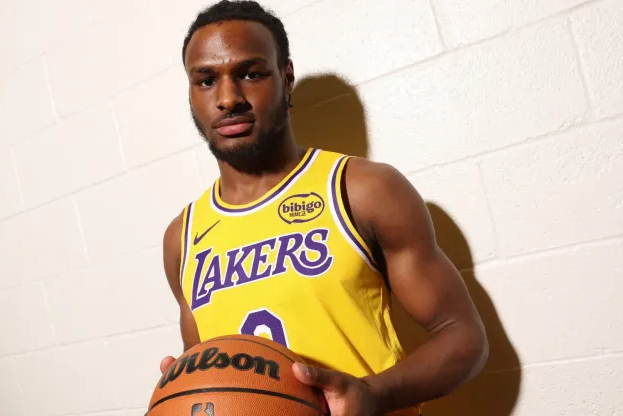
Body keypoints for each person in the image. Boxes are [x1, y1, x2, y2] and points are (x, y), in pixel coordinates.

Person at [159, 1, 489, 414]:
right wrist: (188, 387)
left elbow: (462, 337)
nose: (227, 98)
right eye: (206, 80)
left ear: (286, 77)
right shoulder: (183, 237)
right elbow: (216, 377)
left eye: (251, 73)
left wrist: (373, 393)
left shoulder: (363, 189)